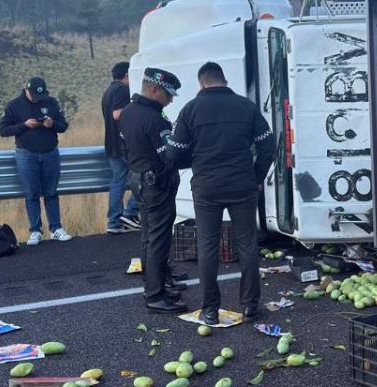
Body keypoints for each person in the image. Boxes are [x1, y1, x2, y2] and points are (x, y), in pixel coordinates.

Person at [165, 62, 275, 325]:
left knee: (207, 246)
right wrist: (257, 177)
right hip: (243, 185)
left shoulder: (190, 109)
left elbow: (173, 154)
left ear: (202, 83)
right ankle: (250, 306)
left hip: (207, 187)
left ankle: (210, 309)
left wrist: (195, 159)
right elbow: (268, 145)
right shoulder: (246, 107)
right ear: (224, 81)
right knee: (247, 245)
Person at [119, 67, 189, 314]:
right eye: (167, 94)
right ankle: (156, 295)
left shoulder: (128, 112)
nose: (170, 100)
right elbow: (169, 156)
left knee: (148, 236)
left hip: (138, 178)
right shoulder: (154, 119)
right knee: (159, 239)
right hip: (156, 183)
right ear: (154, 89)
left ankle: (154, 283)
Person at [0, 77, 71, 246]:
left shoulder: (51, 102)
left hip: (50, 153)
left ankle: (56, 228)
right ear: (26, 90)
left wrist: (52, 124)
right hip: (26, 154)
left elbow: (63, 125)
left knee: (51, 192)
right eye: (34, 96)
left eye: (41, 96)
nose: (37, 99)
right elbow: (3, 130)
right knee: (31, 193)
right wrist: (24, 125)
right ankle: (35, 230)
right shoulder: (14, 105)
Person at [102, 61, 141, 234]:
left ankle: (114, 222)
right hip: (124, 144)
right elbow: (117, 114)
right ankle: (130, 213)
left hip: (111, 143)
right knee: (142, 178)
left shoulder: (108, 91)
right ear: (127, 75)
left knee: (118, 181)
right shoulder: (122, 90)